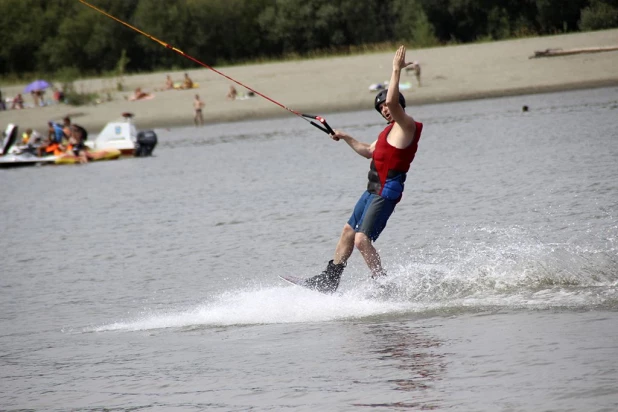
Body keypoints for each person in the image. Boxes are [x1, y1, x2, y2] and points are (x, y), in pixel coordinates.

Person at [301, 45, 424, 293]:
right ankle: (329, 280)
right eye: (381, 109)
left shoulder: (407, 125)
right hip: (372, 189)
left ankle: (383, 285)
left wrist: (395, 70)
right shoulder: (387, 132)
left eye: (388, 106)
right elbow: (368, 150)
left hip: (386, 191)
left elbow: (391, 98)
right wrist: (346, 137)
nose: (385, 109)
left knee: (361, 239)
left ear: (399, 105)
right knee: (348, 231)